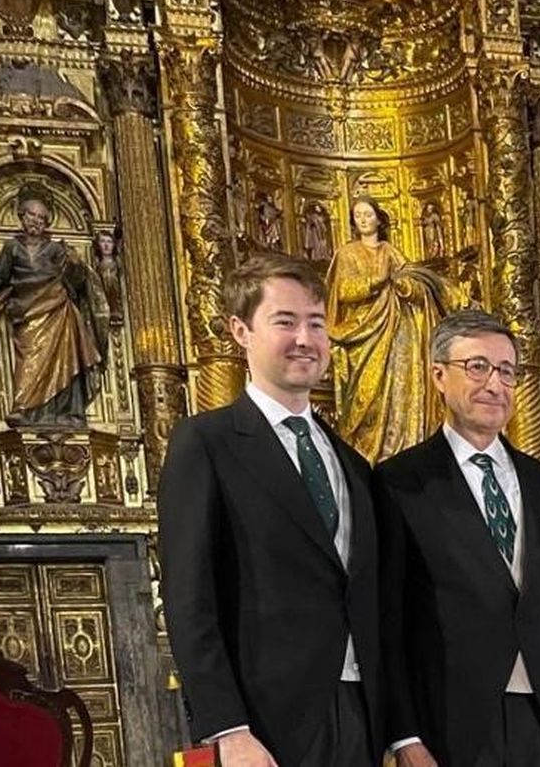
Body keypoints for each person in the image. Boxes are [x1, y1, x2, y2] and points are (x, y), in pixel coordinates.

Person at [158, 251, 382, 767]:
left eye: (317, 323)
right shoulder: (206, 442)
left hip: (359, 713)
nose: (305, 338)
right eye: (285, 322)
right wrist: (228, 729)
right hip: (263, 723)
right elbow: (189, 597)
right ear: (240, 330)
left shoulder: (351, 462)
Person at [374, 309, 540, 767]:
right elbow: (388, 620)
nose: (494, 384)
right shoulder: (399, 482)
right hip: (450, 720)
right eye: (477, 367)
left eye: (506, 371)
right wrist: (404, 735)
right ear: (439, 375)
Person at [327, 196, 457, 463]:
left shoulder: (389, 252)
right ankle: (361, 455)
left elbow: (415, 284)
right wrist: (376, 282)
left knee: (397, 393)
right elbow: (341, 292)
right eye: (357, 215)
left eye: (368, 214)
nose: (363, 220)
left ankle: (398, 450)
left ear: (379, 219)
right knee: (364, 400)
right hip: (360, 336)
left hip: (393, 337)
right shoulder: (347, 253)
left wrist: (404, 286)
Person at [0, 185, 106, 428]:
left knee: (66, 359)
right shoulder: (12, 248)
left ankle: (67, 411)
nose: (37, 222)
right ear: (21, 215)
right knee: (30, 360)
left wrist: (76, 266)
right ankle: (25, 408)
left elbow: (77, 280)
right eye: (32, 215)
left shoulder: (56, 248)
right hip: (27, 312)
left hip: (59, 309)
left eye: (42, 218)